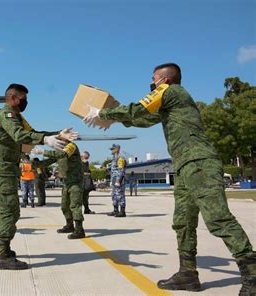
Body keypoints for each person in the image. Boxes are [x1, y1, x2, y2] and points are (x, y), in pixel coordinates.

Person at [83, 63, 256, 294]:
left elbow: (139, 110)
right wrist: (114, 119)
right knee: (183, 222)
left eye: (154, 78)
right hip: (185, 166)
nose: (151, 82)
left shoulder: (171, 92)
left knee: (217, 218)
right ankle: (188, 274)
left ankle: (252, 273)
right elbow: (143, 119)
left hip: (200, 162)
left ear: (164, 80)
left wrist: (103, 113)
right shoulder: (168, 104)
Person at [0, 83, 78, 270]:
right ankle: (2, 255)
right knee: (9, 210)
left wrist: (56, 135)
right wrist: (45, 140)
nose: (25, 102)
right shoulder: (7, 115)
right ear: (12, 98)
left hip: (5, 169)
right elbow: (20, 135)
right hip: (1, 169)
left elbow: (31, 133)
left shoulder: (16, 116)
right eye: (23, 98)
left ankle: (0, 247)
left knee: (6, 209)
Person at [32, 141, 86, 239]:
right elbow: (48, 161)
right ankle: (69, 226)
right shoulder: (59, 151)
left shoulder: (71, 146)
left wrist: (42, 151)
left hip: (75, 182)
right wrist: (34, 163)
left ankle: (79, 230)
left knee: (75, 205)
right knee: (64, 206)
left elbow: (63, 154)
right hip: (67, 182)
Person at [106, 144, 127, 217]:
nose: (111, 150)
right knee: (114, 195)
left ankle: (122, 211)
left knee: (120, 195)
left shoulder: (120, 158)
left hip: (119, 179)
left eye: (112, 149)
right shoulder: (114, 158)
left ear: (117, 149)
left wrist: (118, 180)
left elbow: (121, 170)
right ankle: (115, 210)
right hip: (114, 179)